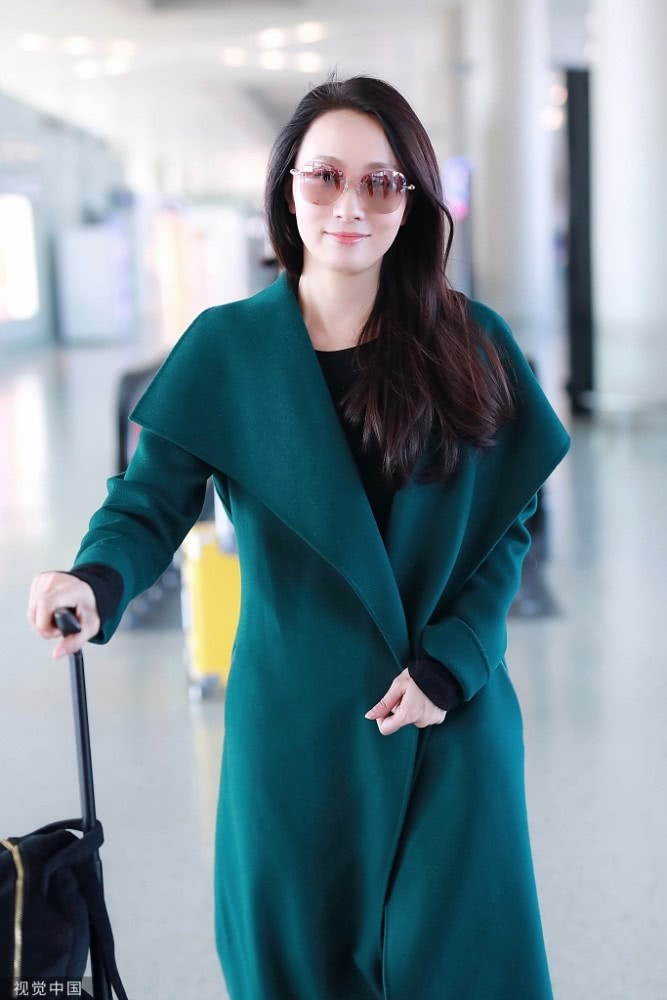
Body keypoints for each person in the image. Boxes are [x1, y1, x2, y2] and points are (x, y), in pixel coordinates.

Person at [27, 74, 570, 1000]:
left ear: (412, 200)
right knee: (295, 968)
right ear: (285, 189)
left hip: (450, 722)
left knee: (460, 968)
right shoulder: (228, 349)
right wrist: (94, 579)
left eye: (380, 182)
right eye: (324, 177)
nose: (349, 206)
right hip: (297, 734)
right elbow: (150, 502)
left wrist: (453, 664)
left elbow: (504, 530)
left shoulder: (471, 342)